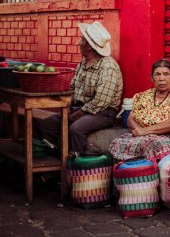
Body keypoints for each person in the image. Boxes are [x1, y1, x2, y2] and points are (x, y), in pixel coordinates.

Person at [37, 21, 123, 153]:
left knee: (75, 129)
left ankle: (77, 163)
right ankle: (59, 157)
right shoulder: (83, 63)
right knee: (46, 124)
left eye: (82, 40)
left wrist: (75, 115)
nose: (78, 43)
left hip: (102, 113)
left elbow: (101, 101)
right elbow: (73, 88)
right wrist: (66, 105)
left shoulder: (108, 66)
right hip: (79, 108)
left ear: (89, 46)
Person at [109, 59, 170, 162]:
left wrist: (145, 132)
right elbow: (131, 119)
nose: (161, 78)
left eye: (166, 74)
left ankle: (149, 172)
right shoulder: (144, 96)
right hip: (144, 136)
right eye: (157, 74)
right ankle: (130, 172)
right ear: (151, 78)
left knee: (153, 144)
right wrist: (140, 132)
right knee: (118, 142)